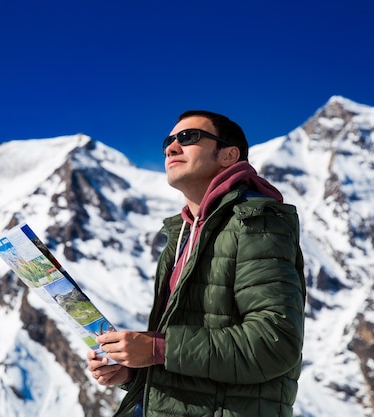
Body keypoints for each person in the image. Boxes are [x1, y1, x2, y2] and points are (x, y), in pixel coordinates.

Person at [87, 110, 306, 417]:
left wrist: (155, 349)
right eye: (169, 141)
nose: (171, 148)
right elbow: (190, 358)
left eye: (188, 138)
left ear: (229, 155)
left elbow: (273, 344)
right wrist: (133, 370)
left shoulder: (256, 222)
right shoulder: (183, 234)